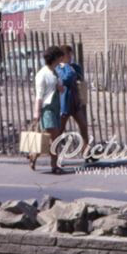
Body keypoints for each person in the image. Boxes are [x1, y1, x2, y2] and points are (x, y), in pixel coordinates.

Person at [56, 44, 94, 164]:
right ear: (62, 56)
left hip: (75, 102)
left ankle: (86, 152)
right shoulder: (58, 68)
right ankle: (55, 155)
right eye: (68, 54)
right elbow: (66, 79)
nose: (71, 57)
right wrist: (67, 68)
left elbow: (79, 76)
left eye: (71, 54)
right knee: (59, 130)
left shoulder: (75, 67)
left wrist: (72, 70)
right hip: (64, 103)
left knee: (83, 126)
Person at [31, 45, 66, 175]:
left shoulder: (55, 71)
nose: (62, 58)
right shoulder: (42, 74)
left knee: (48, 139)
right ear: (55, 57)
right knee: (55, 138)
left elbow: (58, 89)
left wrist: (60, 88)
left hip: (56, 107)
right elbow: (39, 95)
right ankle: (55, 166)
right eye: (60, 55)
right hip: (47, 109)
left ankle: (34, 155)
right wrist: (37, 113)